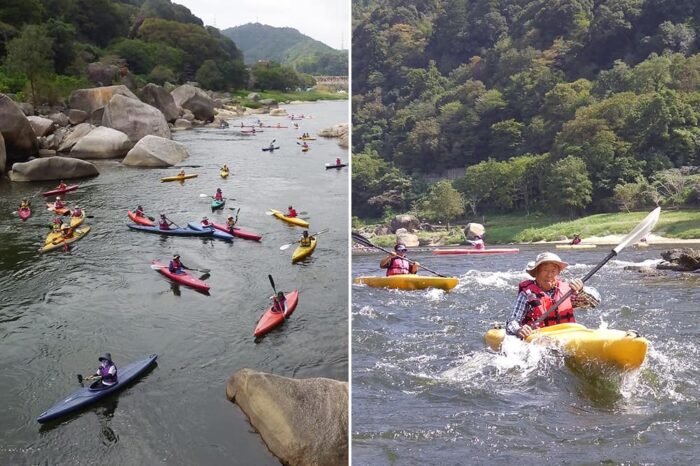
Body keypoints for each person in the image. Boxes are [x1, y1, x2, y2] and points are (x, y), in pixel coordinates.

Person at [506, 252, 601, 339]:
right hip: (539, 339)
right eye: (545, 270)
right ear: (536, 273)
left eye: (553, 271)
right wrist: (519, 330)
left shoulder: (567, 291)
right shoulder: (527, 294)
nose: (549, 275)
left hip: (566, 336)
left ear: (558, 273)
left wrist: (581, 290)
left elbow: (594, 303)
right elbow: (512, 322)